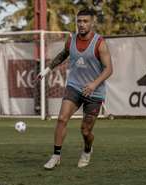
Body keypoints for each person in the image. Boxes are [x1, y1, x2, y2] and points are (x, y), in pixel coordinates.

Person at [36, 8, 113, 169]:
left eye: (85, 21)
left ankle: (87, 149)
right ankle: (56, 156)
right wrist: (47, 70)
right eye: (79, 21)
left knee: (85, 131)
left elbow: (109, 69)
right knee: (62, 119)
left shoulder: (100, 43)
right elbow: (63, 54)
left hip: (95, 92)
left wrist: (93, 84)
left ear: (92, 23)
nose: (82, 24)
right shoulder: (71, 40)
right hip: (74, 87)